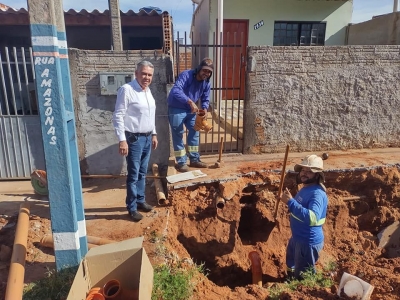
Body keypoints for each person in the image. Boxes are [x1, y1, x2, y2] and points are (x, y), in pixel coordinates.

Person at [112, 61, 158, 222]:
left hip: (147, 138)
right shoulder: (127, 90)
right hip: (134, 139)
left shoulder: (147, 91)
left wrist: (154, 134)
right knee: (133, 175)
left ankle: (140, 200)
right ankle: (131, 207)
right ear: (136, 73)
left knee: (142, 173)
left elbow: (150, 115)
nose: (147, 77)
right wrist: (122, 140)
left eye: (149, 75)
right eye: (144, 74)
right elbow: (118, 115)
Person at [280, 154, 328, 279]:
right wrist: (289, 201)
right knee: (291, 263)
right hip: (297, 238)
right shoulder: (305, 188)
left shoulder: (316, 194)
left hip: (307, 242)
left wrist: (290, 202)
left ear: (317, 175)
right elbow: (300, 208)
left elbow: (312, 218)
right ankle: (291, 279)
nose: (304, 173)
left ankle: (300, 291)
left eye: (309, 171)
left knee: (304, 276)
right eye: (303, 170)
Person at [167, 58, 213, 172]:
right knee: (178, 133)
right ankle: (182, 162)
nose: (206, 74)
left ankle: (194, 159)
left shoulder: (206, 83)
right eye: (204, 70)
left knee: (195, 130)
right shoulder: (186, 75)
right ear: (199, 69)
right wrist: (190, 102)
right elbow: (176, 90)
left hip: (192, 110)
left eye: (209, 72)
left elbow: (205, 98)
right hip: (176, 108)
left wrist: (205, 108)